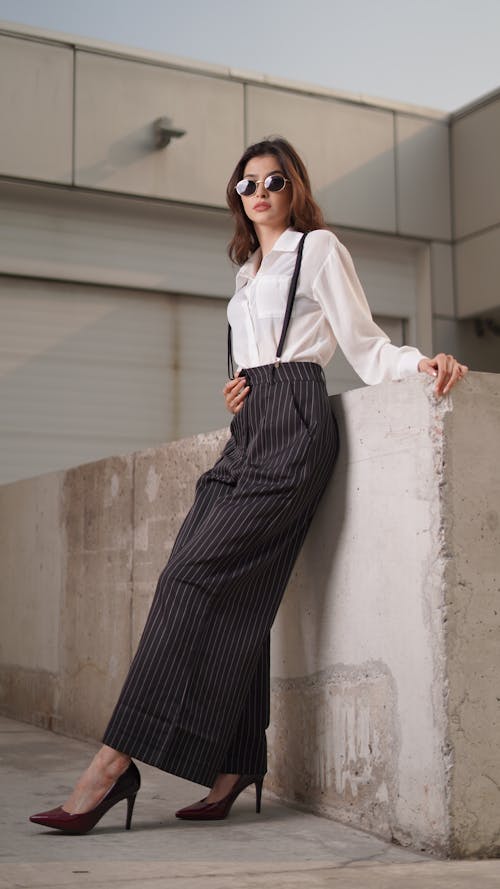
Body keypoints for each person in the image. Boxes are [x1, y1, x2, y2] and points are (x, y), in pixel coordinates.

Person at [30, 137, 468, 834]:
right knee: (234, 591)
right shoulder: (245, 271)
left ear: (293, 187)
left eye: (272, 181)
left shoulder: (317, 250)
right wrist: (239, 392)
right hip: (249, 431)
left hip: (295, 429)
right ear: (236, 197)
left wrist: (424, 363)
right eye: (247, 184)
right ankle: (236, 760)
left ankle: (113, 764)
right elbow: (254, 349)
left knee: (188, 581)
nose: (259, 192)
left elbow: (366, 344)